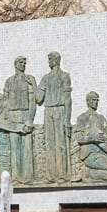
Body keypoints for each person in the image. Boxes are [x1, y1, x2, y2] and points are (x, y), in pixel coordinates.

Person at [0, 56, 38, 183]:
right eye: (20, 62)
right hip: (12, 117)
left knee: (27, 148)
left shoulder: (29, 80)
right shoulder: (9, 81)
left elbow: (33, 102)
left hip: (24, 115)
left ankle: (27, 178)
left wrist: (30, 119)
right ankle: (16, 177)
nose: (23, 64)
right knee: (14, 148)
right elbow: (4, 102)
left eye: (24, 62)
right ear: (15, 64)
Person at [38, 52, 74, 182]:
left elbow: (68, 99)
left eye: (50, 59)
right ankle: (50, 175)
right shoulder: (45, 78)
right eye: (48, 59)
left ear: (57, 60)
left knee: (60, 143)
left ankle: (62, 175)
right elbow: (38, 98)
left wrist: (67, 120)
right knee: (50, 143)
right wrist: (33, 84)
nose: (49, 61)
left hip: (60, 109)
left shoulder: (64, 76)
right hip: (48, 111)